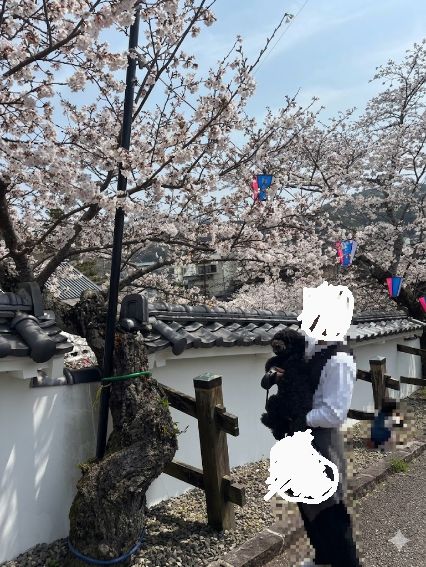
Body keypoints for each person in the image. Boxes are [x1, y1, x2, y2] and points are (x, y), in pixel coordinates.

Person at [297, 333, 361, 567]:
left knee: (330, 511)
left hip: (322, 440)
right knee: (307, 505)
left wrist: (299, 418)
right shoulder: (312, 347)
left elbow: (334, 413)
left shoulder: (339, 360)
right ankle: (323, 559)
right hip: (301, 439)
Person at [260, 328, 315, 439]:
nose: (276, 349)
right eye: (274, 346)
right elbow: (265, 384)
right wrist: (272, 376)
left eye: (278, 346)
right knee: (272, 403)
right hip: (283, 404)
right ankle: (278, 428)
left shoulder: (306, 360)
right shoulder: (276, 362)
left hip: (304, 407)